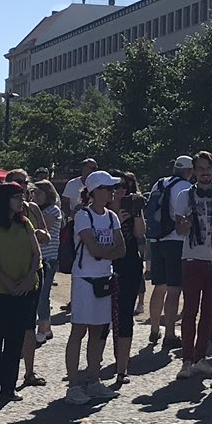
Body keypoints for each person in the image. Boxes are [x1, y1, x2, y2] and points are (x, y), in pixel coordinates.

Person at [0, 181, 40, 399]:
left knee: (15, 340)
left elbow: (36, 254)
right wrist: (8, 283)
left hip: (23, 291)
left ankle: (8, 387)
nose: (22, 202)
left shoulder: (25, 223)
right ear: (5, 200)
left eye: (23, 197)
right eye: (17, 197)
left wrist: (28, 278)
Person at [66, 172, 124, 404]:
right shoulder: (83, 215)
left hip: (103, 279)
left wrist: (103, 251)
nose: (111, 192)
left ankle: (94, 379)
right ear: (94, 191)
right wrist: (105, 251)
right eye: (107, 188)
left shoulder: (112, 217)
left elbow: (123, 250)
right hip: (84, 279)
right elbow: (95, 249)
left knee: (99, 333)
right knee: (79, 331)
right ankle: (73, 385)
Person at [174, 153, 212, 381]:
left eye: (208, 168)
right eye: (200, 168)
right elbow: (180, 229)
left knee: (209, 313)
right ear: (194, 171)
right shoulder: (185, 196)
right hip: (192, 258)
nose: (205, 172)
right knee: (190, 311)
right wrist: (185, 225)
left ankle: (201, 357)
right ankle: (186, 360)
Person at [146, 155, 193, 351]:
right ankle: (170, 334)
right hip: (175, 240)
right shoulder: (183, 187)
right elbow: (184, 214)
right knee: (174, 289)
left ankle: (155, 328)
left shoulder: (160, 183)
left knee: (159, 286)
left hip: (156, 239)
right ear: (189, 170)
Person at [109, 174, 146, 390]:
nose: (121, 190)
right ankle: (95, 367)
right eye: (116, 186)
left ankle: (122, 367)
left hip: (129, 265)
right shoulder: (101, 212)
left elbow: (140, 234)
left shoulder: (132, 208)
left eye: (124, 186)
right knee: (102, 320)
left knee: (124, 315)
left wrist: (136, 213)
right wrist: (116, 221)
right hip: (106, 265)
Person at [25, 180, 58, 380]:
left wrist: (33, 212)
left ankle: (42, 327)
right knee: (41, 294)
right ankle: (47, 326)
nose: (35, 196)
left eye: (38, 193)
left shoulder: (53, 210)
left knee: (43, 294)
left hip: (48, 256)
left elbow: (40, 230)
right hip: (38, 257)